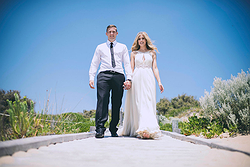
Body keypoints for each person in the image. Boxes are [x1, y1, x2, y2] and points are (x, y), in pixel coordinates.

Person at [89, 25, 132, 138]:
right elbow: (94, 62)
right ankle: (100, 129)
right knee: (102, 101)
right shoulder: (100, 47)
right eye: (109, 32)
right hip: (104, 75)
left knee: (116, 103)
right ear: (106, 34)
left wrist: (129, 78)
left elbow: (127, 63)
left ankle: (113, 128)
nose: (111, 34)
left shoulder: (122, 47)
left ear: (117, 33)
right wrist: (91, 77)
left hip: (118, 75)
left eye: (113, 32)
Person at [119, 32, 164, 139]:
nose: (141, 40)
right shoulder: (134, 53)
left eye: (143, 38)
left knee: (148, 102)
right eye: (139, 38)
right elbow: (131, 68)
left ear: (146, 40)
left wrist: (159, 82)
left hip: (149, 78)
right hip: (137, 78)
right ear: (137, 41)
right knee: (138, 103)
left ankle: (148, 128)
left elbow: (155, 68)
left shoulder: (152, 53)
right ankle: (140, 129)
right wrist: (128, 80)